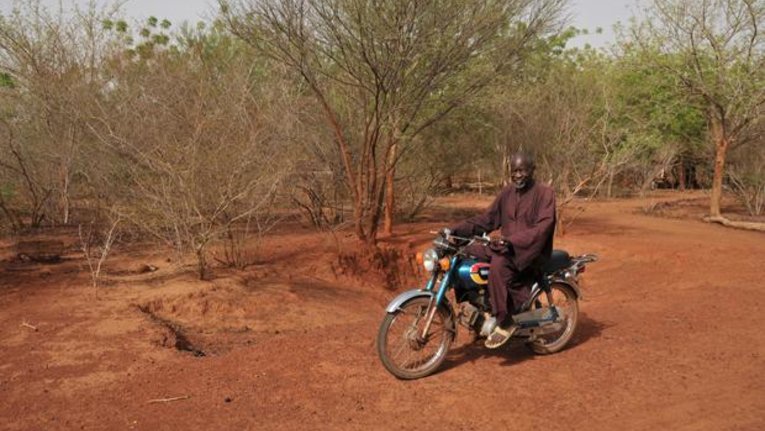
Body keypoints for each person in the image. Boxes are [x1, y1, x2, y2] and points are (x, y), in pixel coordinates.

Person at [447, 152, 556, 349]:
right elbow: (488, 219)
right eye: (514, 171)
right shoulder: (507, 193)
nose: (517, 175)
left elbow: (542, 229)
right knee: (465, 253)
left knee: (498, 265)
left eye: (522, 170)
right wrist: (455, 230)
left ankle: (505, 320)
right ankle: (476, 307)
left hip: (530, 251)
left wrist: (512, 241)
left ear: (532, 170)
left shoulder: (544, 193)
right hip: (506, 247)